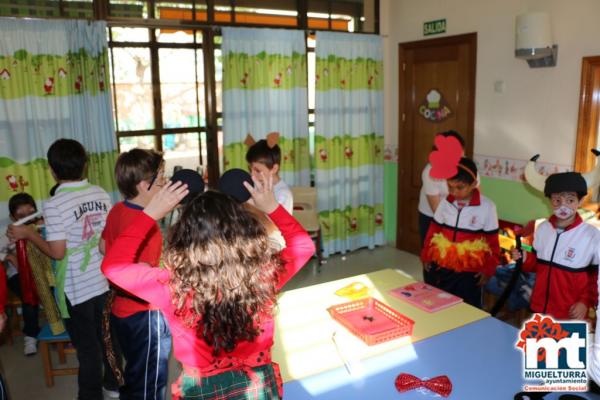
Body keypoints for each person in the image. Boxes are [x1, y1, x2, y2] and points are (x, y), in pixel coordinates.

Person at [101, 173, 315, 399]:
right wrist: (272, 207)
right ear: (244, 231)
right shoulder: (263, 275)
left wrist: (149, 214)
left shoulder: (173, 286)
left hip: (202, 389)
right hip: (257, 386)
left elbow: (113, 267)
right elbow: (303, 246)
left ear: (185, 238)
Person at [8, 139, 119, 400]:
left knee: (87, 348)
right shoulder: (101, 194)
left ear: (52, 170)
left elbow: (57, 252)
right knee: (107, 338)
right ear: (85, 164)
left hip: (76, 287)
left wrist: (29, 233)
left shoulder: (55, 204)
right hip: (103, 279)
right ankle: (113, 385)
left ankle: (89, 396)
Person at [100, 148, 172, 400]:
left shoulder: (118, 210)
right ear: (144, 185)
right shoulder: (144, 224)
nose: (165, 185)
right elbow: (140, 276)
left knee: (136, 374)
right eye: (161, 180)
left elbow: (102, 247)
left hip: (122, 311)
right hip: (146, 315)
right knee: (150, 383)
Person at [511, 172, 600, 320]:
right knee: (539, 343)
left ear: (580, 200)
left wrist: (585, 302)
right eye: (557, 200)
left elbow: (596, 277)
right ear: (550, 200)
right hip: (539, 308)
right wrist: (525, 258)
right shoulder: (542, 228)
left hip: (570, 313)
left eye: (570, 200)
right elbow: (537, 266)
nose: (563, 206)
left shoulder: (592, 236)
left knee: (567, 344)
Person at [421, 157, 500, 308]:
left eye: (460, 187)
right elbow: (434, 230)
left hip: (471, 271)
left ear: (474, 184)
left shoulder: (487, 207)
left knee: (468, 307)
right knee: (443, 303)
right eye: (450, 187)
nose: (454, 192)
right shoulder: (446, 203)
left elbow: (493, 242)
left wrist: (489, 269)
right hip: (444, 265)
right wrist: (426, 254)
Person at [418, 130, 467, 283]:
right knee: (433, 259)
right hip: (432, 217)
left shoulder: (467, 168)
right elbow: (437, 210)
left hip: (459, 217)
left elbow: (476, 195)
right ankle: (430, 293)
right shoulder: (430, 171)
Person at [0, 193, 41, 355]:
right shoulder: (10, 234)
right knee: (28, 293)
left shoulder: (42, 227)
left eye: (30, 215)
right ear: (12, 217)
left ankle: (60, 330)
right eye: (21, 216)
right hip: (18, 276)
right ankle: (31, 335)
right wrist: (9, 256)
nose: (27, 219)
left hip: (42, 275)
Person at [246, 138, 293, 213]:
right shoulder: (257, 184)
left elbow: (273, 223)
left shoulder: (283, 194)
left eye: (257, 170)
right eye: (250, 169)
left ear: (274, 169)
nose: (252, 175)